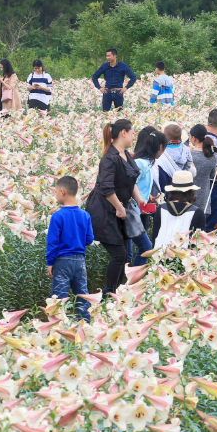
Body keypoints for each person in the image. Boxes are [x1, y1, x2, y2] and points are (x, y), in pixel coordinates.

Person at [85, 119, 142, 298]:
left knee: (124, 256)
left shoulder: (126, 156)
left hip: (118, 211)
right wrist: (119, 207)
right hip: (104, 212)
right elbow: (106, 188)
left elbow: (130, 181)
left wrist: (140, 200)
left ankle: (114, 292)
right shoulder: (109, 159)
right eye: (132, 132)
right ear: (123, 133)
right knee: (119, 255)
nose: (134, 135)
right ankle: (109, 294)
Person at [46, 175, 94, 322]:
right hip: (80, 261)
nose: (56, 196)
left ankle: (59, 327)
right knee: (82, 296)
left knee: (59, 298)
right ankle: (85, 326)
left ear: (62, 192)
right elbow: (89, 239)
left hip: (62, 261)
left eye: (55, 193)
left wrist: (49, 262)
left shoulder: (57, 216)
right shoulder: (85, 215)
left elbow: (52, 242)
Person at [125, 129, 166, 267]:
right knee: (146, 248)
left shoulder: (145, 162)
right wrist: (139, 200)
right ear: (160, 147)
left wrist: (148, 196)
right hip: (131, 212)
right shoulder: (141, 163)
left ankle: (124, 284)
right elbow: (130, 184)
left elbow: (138, 184)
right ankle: (133, 283)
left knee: (128, 254)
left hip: (135, 211)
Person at [151, 170, 207, 250]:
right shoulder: (198, 213)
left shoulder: (161, 208)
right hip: (186, 258)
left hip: (160, 255)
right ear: (191, 191)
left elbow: (155, 236)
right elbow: (199, 243)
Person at [189, 124, 217, 218]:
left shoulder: (190, 155)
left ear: (193, 138)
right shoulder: (211, 156)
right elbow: (212, 175)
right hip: (204, 199)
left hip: (189, 197)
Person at [155, 124, 195, 196]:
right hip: (181, 180)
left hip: (168, 180)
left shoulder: (163, 150)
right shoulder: (186, 148)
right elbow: (189, 162)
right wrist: (184, 170)